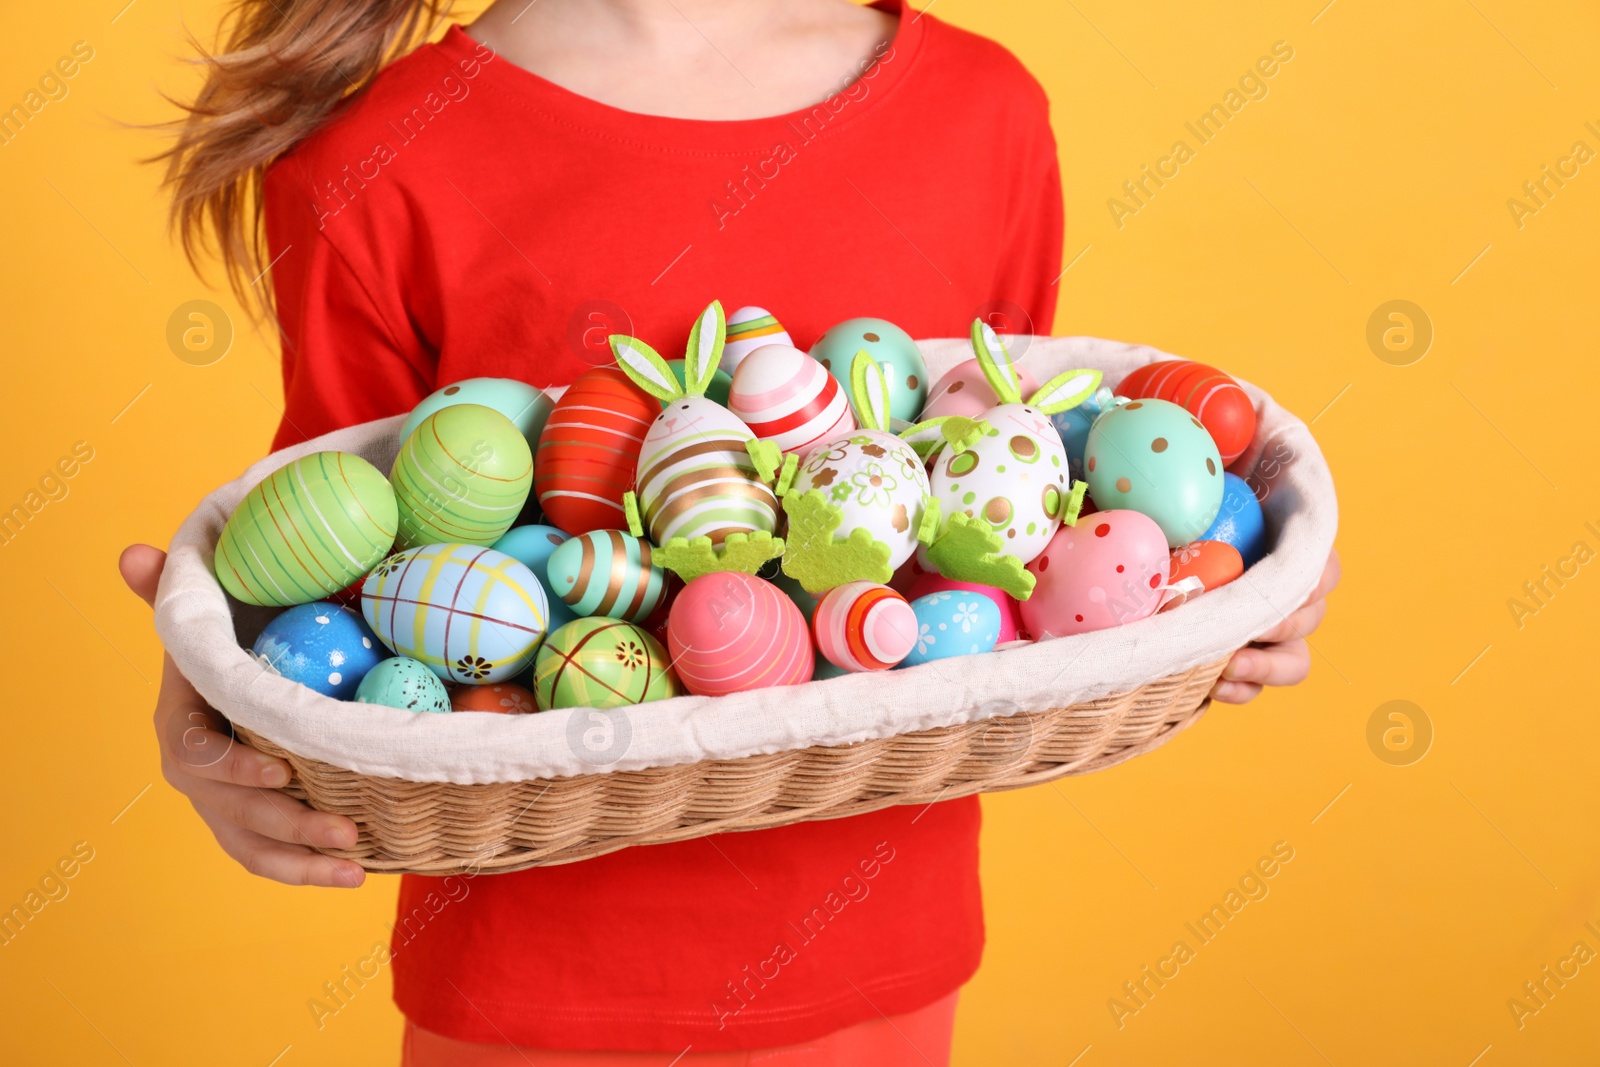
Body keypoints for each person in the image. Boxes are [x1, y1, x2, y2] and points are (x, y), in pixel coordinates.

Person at [120, 0, 1340, 1062]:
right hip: (532, 988)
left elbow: (1016, 528)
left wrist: (1213, 580)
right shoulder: (368, 161)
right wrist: (223, 715)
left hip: (880, 953)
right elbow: (335, 575)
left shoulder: (982, 115)